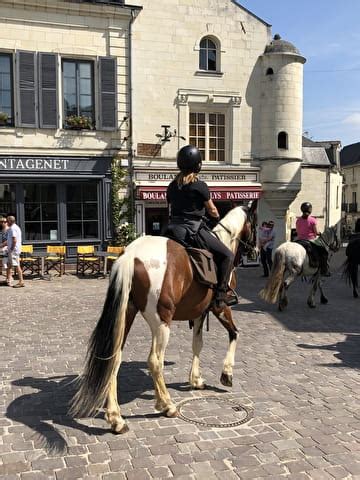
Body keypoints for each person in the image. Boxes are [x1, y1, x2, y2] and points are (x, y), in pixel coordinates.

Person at [166, 145, 234, 309]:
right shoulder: (200, 185)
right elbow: (212, 209)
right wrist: (216, 218)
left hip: (171, 230)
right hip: (193, 230)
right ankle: (220, 296)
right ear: (198, 165)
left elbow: (169, 208)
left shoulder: (172, 186)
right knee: (227, 256)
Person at [295, 202, 329, 276]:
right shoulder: (312, 220)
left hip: (299, 240)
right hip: (310, 240)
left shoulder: (298, 220)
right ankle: (324, 270)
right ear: (310, 210)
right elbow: (316, 232)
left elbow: (297, 231)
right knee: (324, 252)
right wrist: (319, 233)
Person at [0, 215, 24, 288]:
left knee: (17, 266)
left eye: (7, 221)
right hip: (13, 250)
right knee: (9, 265)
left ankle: (21, 281)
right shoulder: (14, 227)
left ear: (10, 221)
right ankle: (8, 279)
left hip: (14, 250)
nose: (6, 222)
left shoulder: (13, 228)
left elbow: (14, 240)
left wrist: (11, 249)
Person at [0, 216, 9, 280]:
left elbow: (9, 240)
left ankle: (9, 278)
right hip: (2, 249)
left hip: (6, 249)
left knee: (6, 264)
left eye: (4, 222)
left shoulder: (9, 230)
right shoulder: (1, 230)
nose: (3, 223)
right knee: (4, 263)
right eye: (1, 222)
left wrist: (1, 245)